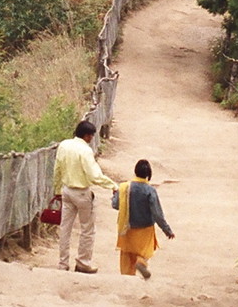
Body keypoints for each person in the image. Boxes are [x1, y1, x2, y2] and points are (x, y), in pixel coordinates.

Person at [52, 119, 115, 273]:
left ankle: (62, 263)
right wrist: (112, 185)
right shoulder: (85, 150)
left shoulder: (64, 145)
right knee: (87, 229)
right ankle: (83, 262)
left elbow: (57, 169)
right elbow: (94, 175)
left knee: (65, 228)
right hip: (81, 192)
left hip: (66, 190)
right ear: (87, 136)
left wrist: (57, 190)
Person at [112, 159, 174, 279]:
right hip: (145, 229)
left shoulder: (124, 187)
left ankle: (126, 277)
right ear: (148, 175)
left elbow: (115, 205)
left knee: (126, 254)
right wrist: (167, 230)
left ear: (135, 171)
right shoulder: (150, 190)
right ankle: (141, 262)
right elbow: (157, 214)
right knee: (144, 252)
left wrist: (115, 194)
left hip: (126, 227)